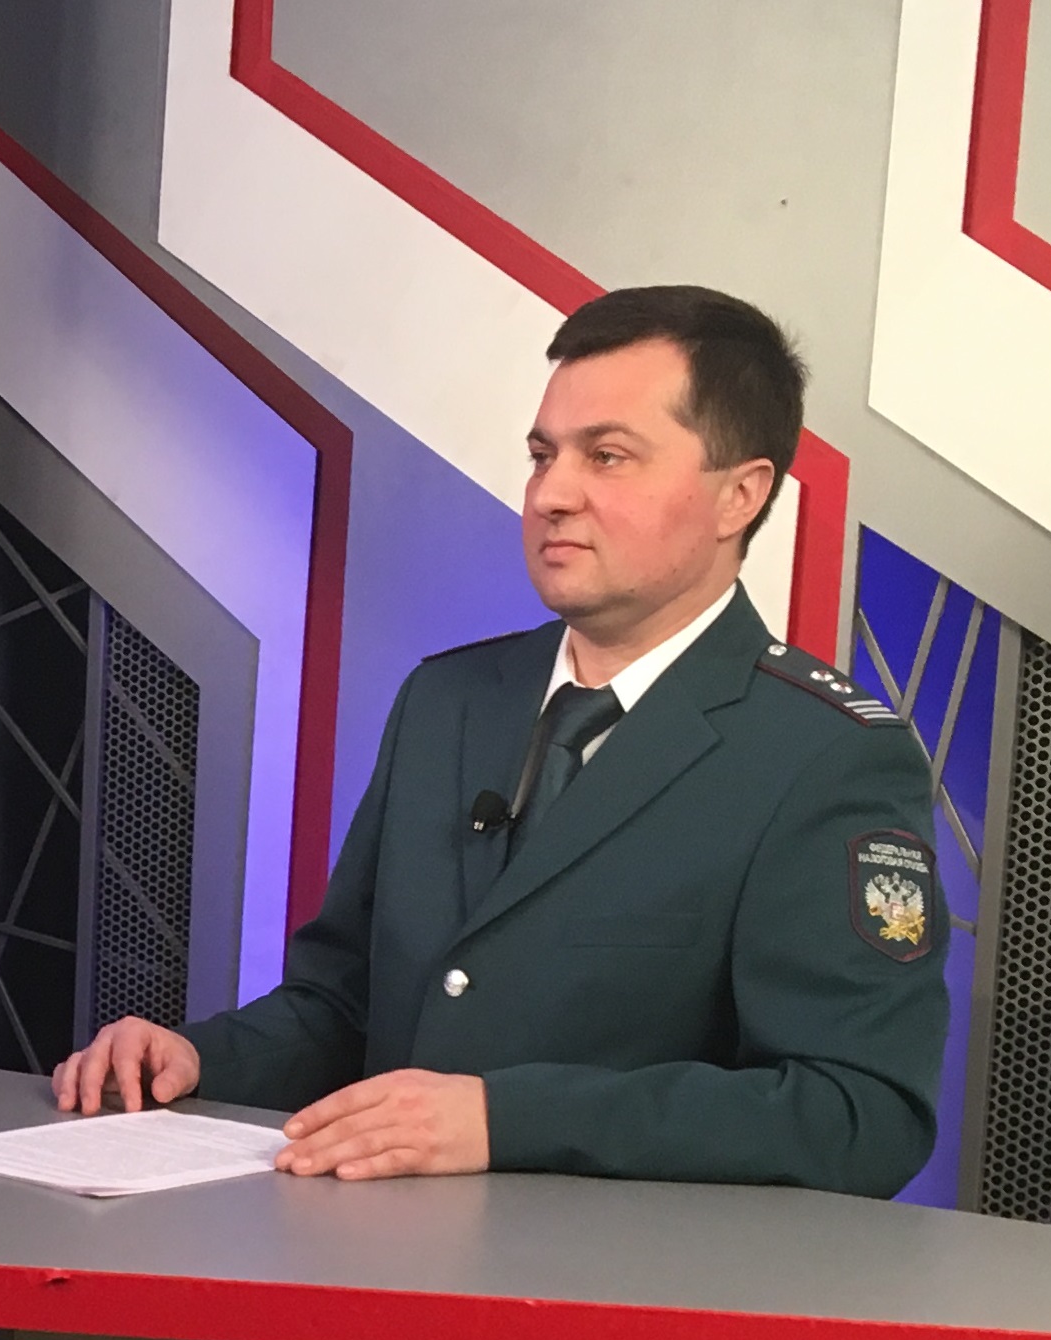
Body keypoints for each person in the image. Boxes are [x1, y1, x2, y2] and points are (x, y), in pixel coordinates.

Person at [51, 285, 946, 1199]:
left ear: (738, 496)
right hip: (371, 1265)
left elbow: (857, 1116)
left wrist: (504, 1120)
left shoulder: (821, 756)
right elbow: (343, 1008)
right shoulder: (447, 701)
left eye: (606, 456)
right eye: (541, 455)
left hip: (613, 1283)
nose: (551, 494)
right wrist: (197, 1059)